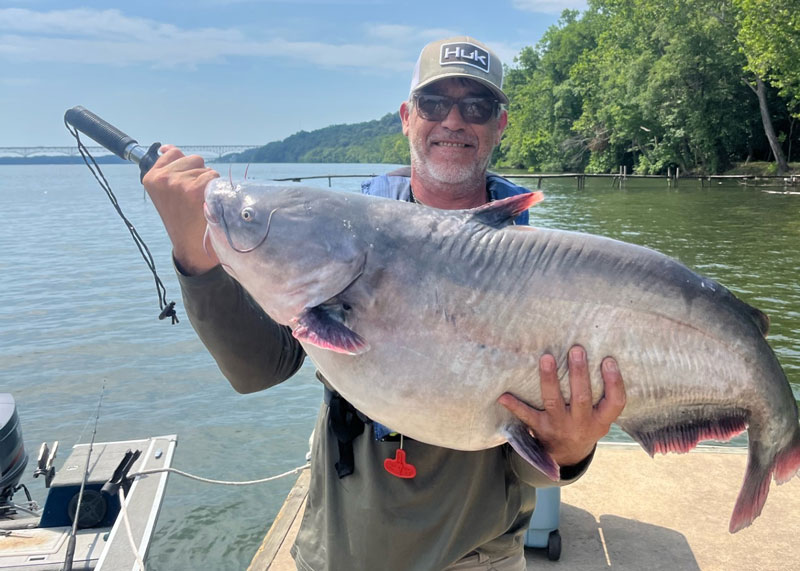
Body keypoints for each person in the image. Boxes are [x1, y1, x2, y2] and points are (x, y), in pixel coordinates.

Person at [142, 36, 626, 571]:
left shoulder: (544, 269)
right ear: (406, 116)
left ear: (500, 124)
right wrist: (196, 253)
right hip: (339, 547)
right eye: (434, 103)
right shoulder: (333, 235)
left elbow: (534, 466)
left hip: (475, 556)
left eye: (477, 106)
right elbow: (259, 370)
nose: (454, 120)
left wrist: (572, 449)